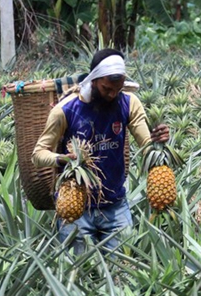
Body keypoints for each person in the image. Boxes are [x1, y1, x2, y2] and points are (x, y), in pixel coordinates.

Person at [31, 49, 170, 253]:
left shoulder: (129, 103)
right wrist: (63, 160)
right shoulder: (65, 109)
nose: (113, 94)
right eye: (107, 88)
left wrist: (160, 140)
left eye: (118, 88)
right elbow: (38, 154)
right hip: (76, 208)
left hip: (116, 205)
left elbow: (147, 144)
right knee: (77, 275)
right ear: (94, 80)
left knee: (123, 273)